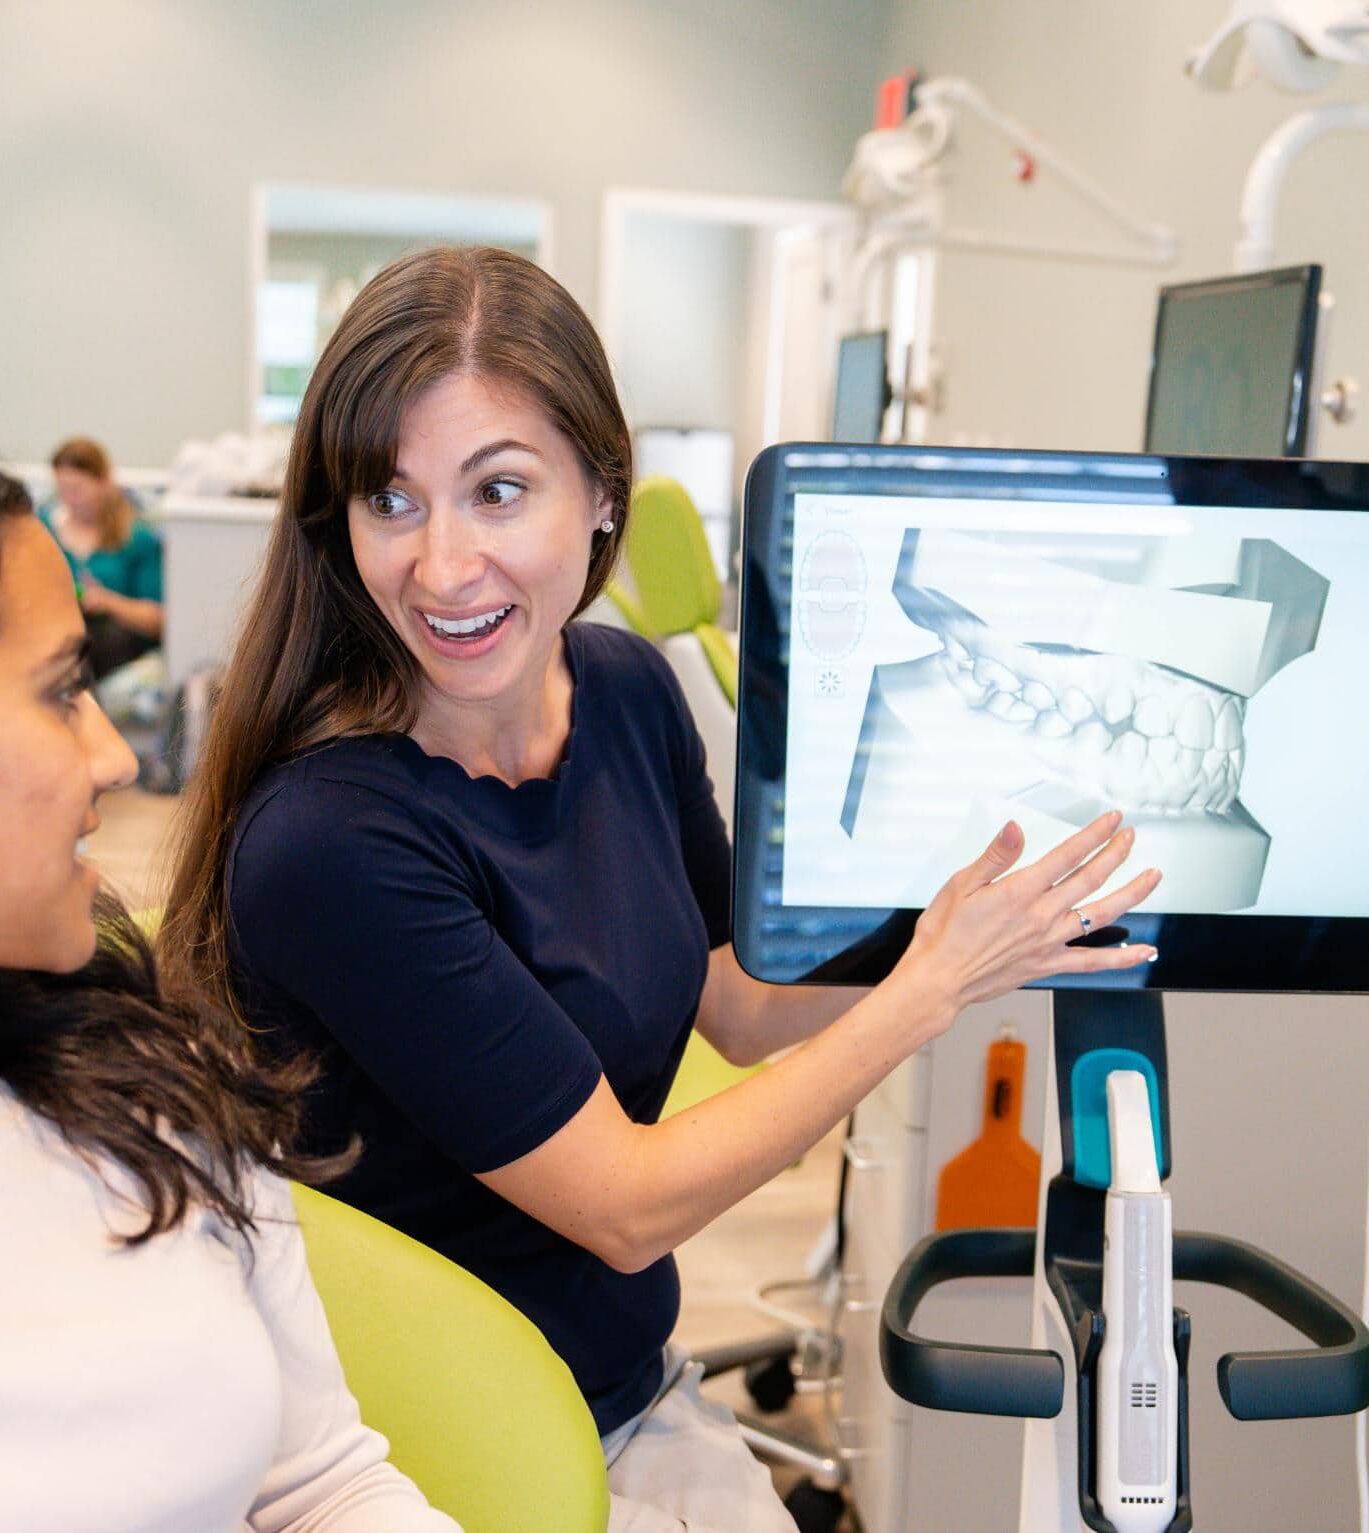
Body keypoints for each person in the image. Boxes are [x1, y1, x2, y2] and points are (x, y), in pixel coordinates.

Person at [158, 246, 1161, 1533]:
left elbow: (738, 1001)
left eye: (499, 491)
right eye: (392, 503)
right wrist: (929, 989)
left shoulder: (624, 689)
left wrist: (971, 926)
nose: (443, 565)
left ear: (602, 497)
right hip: (418, 1439)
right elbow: (627, 1207)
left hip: (618, 1384)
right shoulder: (333, 840)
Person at [0, 471, 460, 1532]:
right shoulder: (324, 841)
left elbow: (324, 1482)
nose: (115, 757)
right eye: (62, 691)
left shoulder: (140, 1061)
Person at [41, 436, 164, 678]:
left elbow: (157, 621)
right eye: (62, 490)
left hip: (112, 645)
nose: (68, 500)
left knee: (89, 638)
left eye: (76, 490)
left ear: (104, 482)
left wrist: (107, 602)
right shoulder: (45, 529)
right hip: (56, 633)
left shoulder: (137, 538)